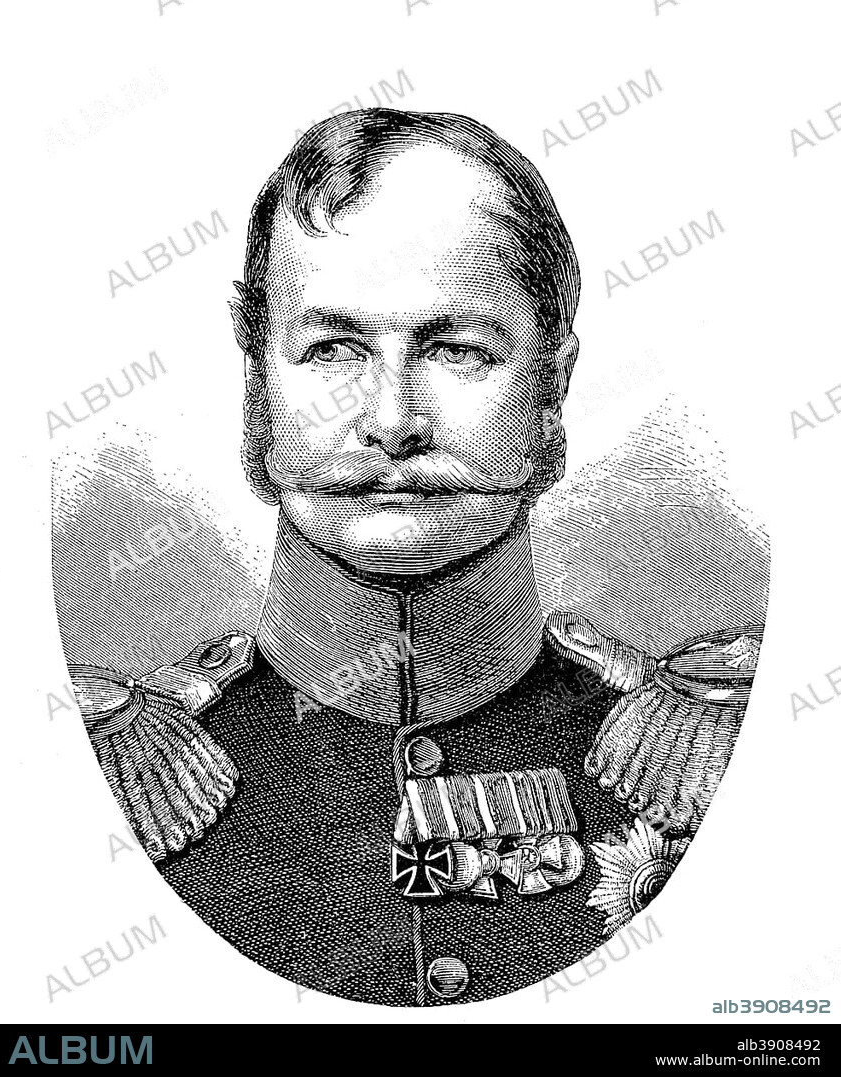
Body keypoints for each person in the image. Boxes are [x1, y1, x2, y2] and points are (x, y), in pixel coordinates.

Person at [74, 108, 758, 1006]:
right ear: (256, 383)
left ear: (551, 389)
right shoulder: (91, 773)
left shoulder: (727, 755)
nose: (392, 421)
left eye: (457, 350)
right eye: (332, 349)